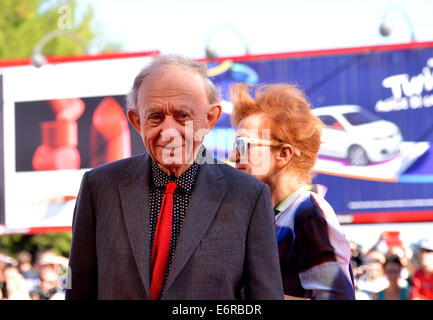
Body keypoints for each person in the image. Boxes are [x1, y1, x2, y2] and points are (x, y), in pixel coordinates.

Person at [66, 55, 284, 300]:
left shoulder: (247, 196)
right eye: (155, 117)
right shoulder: (100, 188)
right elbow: (79, 291)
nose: (168, 132)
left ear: (210, 118)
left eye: (182, 116)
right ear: (137, 121)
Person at [229, 83, 355, 300]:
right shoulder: (273, 214)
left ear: (284, 154)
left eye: (243, 145)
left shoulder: (308, 213)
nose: (233, 156)